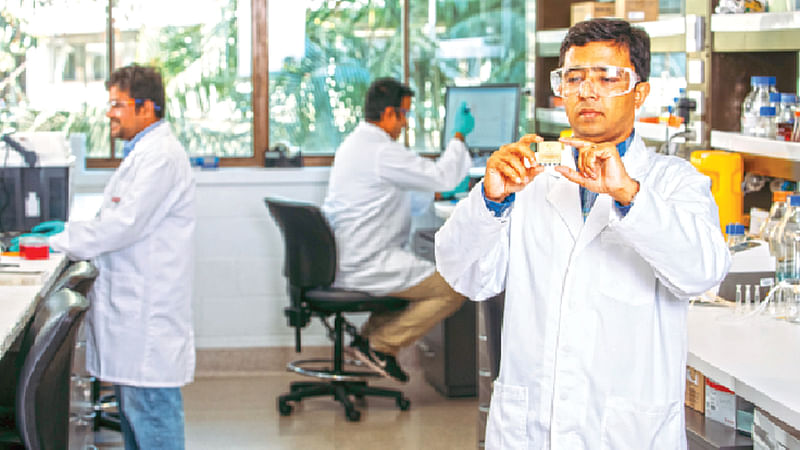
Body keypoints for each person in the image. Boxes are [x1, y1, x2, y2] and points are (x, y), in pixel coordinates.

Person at [435, 19, 731, 449]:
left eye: (607, 77)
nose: (587, 91)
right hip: (531, 430)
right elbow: (464, 274)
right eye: (573, 78)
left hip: (626, 432)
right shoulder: (531, 179)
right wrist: (490, 198)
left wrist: (629, 195)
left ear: (640, 93)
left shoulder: (673, 183)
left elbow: (703, 273)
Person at [50, 64, 195, 450]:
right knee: (137, 423)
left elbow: (122, 226)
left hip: (146, 320)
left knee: (153, 422)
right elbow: (114, 222)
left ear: (147, 108)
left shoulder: (161, 157)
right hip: (134, 318)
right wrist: (66, 235)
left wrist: (60, 240)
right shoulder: (142, 154)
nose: (109, 113)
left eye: (118, 104)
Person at [322, 77, 473, 382]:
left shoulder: (357, 144)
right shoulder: (380, 151)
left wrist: (436, 192)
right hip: (367, 261)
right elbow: (442, 177)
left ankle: (368, 343)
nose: (404, 123)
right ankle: (379, 345)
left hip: (354, 256)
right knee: (455, 287)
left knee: (419, 279)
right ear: (389, 113)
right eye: (404, 115)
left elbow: (391, 191)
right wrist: (458, 136)